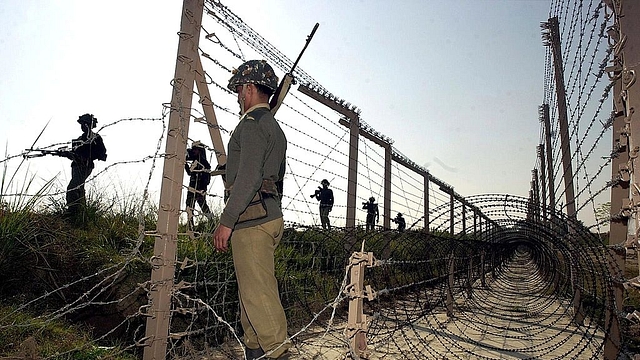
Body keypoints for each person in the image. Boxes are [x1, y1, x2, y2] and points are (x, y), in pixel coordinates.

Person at [212, 60, 290, 360]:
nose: (237, 97)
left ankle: (278, 353)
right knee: (251, 304)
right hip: (266, 214)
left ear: (247, 89)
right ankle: (257, 352)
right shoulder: (273, 127)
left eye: (238, 91)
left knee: (259, 299)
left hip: (251, 220)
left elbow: (249, 178)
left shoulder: (252, 125)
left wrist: (226, 221)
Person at [65, 113, 107, 217]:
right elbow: (75, 153)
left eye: (84, 124)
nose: (82, 126)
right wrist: (67, 154)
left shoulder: (96, 138)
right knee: (79, 187)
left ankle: (73, 211)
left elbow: (102, 154)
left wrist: (88, 156)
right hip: (76, 166)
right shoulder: (80, 139)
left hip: (85, 166)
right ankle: (80, 212)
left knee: (73, 187)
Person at [184, 141, 212, 228]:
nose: (193, 152)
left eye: (195, 150)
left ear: (199, 151)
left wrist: (203, 188)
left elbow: (207, 177)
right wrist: (184, 163)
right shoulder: (195, 162)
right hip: (192, 188)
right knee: (189, 207)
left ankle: (212, 222)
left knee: (203, 207)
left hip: (199, 189)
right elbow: (189, 172)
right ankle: (190, 226)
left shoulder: (205, 163)